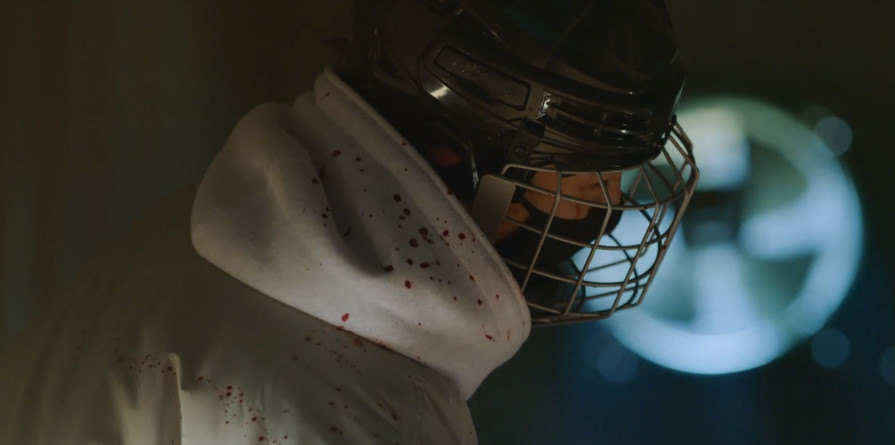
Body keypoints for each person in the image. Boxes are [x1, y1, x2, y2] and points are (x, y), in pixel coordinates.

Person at [0, 0, 697, 443]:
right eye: (583, 178)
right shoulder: (357, 407)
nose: (602, 210)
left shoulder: (179, 238)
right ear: (451, 158)